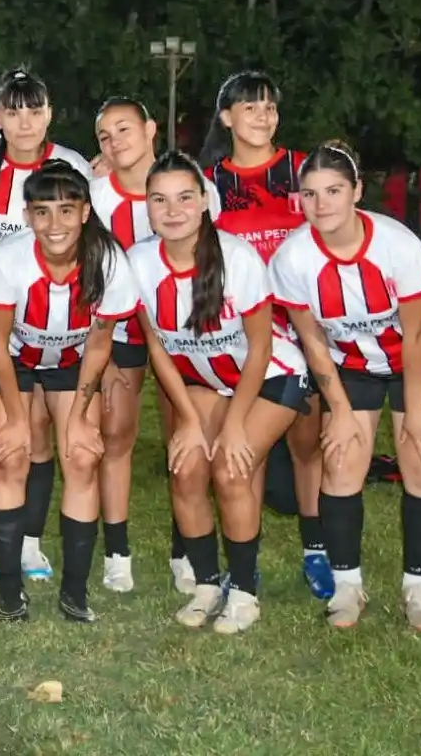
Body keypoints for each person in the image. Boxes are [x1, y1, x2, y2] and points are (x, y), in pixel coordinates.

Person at [131, 151, 311, 633]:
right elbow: (157, 346)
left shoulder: (237, 258)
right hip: (206, 382)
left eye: (185, 198)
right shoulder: (139, 263)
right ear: (146, 207)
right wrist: (189, 420)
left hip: (270, 376)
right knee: (186, 466)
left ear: (205, 201)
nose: (173, 210)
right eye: (160, 200)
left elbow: (260, 348)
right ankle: (208, 583)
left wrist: (233, 426)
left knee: (232, 470)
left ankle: (245, 591)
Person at [270, 141, 421, 631]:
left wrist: (419, 409)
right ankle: (347, 586)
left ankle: (419, 586)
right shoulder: (293, 258)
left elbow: (416, 333)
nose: (321, 205)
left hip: (413, 359)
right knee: (341, 460)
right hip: (350, 365)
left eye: (334, 191)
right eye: (310, 194)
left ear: (357, 191)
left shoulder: (397, 245)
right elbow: (313, 341)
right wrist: (338, 409)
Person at [0, 160, 140, 622]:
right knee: (12, 455)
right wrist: (14, 419)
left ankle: (75, 592)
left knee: (82, 455)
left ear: (86, 213)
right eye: (43, 212)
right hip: (13, 362)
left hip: (71, 362)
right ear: (28, 215)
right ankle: (10, 591)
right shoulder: (10, 259)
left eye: (67, 211)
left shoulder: (108, 260)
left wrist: (76, 420)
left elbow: (98, 343)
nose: (55, 225)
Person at [199, 70, 330, 602]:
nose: (263, 116)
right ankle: (241, 564)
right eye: (250, 108)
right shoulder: (209, 184)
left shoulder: (304, 171)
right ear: (226, 116)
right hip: (245, 340)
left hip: (309, 330)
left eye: (270, 107)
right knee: (243, 455)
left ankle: (316, 548)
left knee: (308, 447)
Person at [0, 68, 92, 586]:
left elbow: (86, 233)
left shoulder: (73, 165)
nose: (23, 122)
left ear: (49, 114)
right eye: (12, 111)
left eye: (34, 110)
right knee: (7, 435)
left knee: (39, 438)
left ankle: (30, 544)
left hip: (55, 318)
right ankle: (3, 544)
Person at [88, 98, 222, 594]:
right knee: (116, 436)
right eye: (104, 136)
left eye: (123, 129)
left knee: (181, 438)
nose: (115, 141)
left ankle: (184, 550)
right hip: (121, 330)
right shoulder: (97, 196)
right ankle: (117, 552)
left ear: (150, 129)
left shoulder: (192, 190)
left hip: (179, 334)